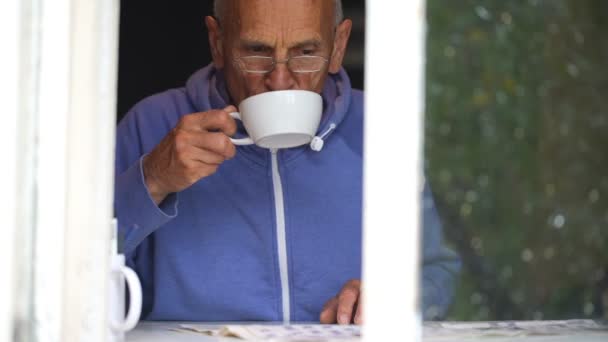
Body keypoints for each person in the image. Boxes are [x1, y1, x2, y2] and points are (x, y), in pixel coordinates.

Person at [115, 0, 460, 324]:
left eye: (306, 53)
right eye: (256, 51)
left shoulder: (378, 129)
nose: (280, 81)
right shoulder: (153, 126)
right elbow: (76, 276)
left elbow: (437, 269)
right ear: (217, 42)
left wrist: (391, 297)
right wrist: (153, 180)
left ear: (338, 46)